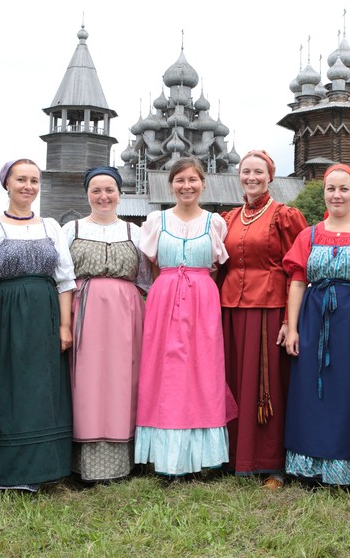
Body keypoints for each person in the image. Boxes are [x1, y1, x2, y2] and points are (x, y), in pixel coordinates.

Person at [0, 159, 75, 491]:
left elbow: (65, 280)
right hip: (7, 316)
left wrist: (65, 326)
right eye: (21, 180)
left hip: (45, 316)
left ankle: (43, 468)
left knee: (42, 389)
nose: (28, 186)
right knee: (6, 389)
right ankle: (1, 471)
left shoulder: (51, 227)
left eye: (34, 180)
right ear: (7, 184)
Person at [283, 164, 350, 486]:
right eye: (331, 189)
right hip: (314, 319)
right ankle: (310, 464)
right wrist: (293, 327)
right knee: (311, 391)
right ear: (323, 193)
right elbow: (297, 282)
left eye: (343, 189)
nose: (336, 195)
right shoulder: (308, 235)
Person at [135, 156, 236, 477]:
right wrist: (169, 286)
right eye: (180, 180)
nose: (186, 186)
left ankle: (203, 457)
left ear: (203, 184)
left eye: (193, 180)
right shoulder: (156, 221)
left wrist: (198, 286)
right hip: (164, 298)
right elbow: (152, 267)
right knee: (164, 373)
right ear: (171, 185)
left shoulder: (215, 223)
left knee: (203, 371)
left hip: (203, 298)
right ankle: (165, 457)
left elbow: (216, 267)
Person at [219, 150, 307, 489]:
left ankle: (273, 463)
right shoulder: (228, 218)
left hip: (269, 308)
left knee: (267, 385)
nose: (251, 177)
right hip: (231, 308)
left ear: (270, 176)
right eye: (246, 172)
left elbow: (298, 270)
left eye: (258, 172)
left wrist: (288, 319)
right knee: (234, 381)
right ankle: (235, 456)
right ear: (238, 175)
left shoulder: (284, 216)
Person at [62, 166, 152, 482]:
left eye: (110, 190)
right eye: (96, 190)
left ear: (119, 194)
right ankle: (82, 461)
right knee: (84, 381)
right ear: (87, 194)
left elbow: (146, 279)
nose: (103, 196)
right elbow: (61, 278)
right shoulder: (70, 230)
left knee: (124, 379)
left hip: (126, 315)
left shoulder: (135, 233)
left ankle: (124, 459)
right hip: (83, 311)